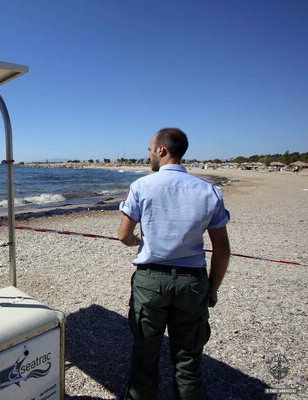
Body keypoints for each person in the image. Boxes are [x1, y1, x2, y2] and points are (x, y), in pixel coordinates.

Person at [117, 128, 231, 400]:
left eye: (149, 149)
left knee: (145, 356)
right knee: (188, 360)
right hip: (192, 282)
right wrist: (212, 288)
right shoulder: (209, 191)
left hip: (151, 281)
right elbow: (222, 249)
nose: (148, 155)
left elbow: (123, 235)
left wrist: (136, 242)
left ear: (162, 150)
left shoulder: (142, 186)